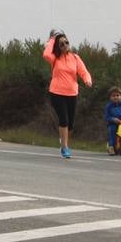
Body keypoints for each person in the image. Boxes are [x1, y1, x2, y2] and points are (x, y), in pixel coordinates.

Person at [43, 30, 92, 160]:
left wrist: (87, 80)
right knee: (63, 119)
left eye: (66, 42)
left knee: (70, 123)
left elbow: (83, 71)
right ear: (57, 46)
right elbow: (46, 54)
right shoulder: (54, 58)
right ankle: (64, 147)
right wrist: (52, 39)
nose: (64, 45)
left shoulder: (75, 57)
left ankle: (63, 139)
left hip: (72, 93)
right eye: (61, 44)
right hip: (57, 93)